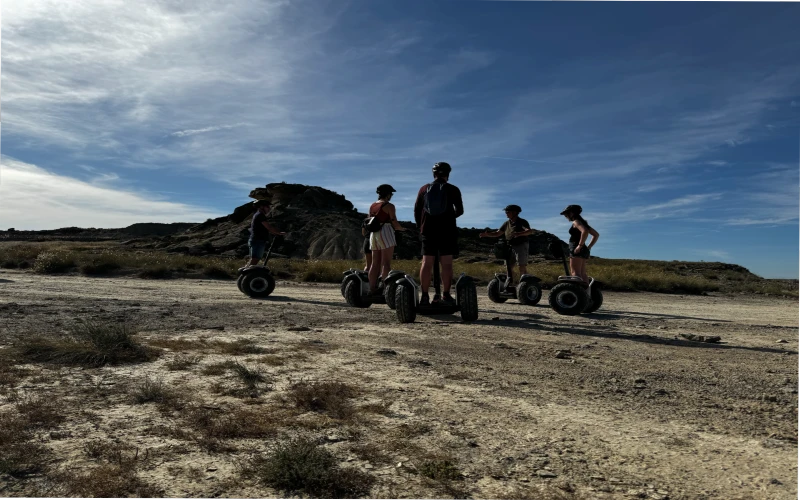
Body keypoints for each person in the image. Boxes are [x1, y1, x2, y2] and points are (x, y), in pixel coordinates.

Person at [413, 162, 464, 306]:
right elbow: (460, 210)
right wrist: (448, 218)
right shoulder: (453, 189)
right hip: (447, 230)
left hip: (428, 230)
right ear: (448, 174)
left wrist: (420, 226)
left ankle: (424, 297)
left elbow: (417, 210)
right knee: (446, 264)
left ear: (433, 174)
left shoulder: (423, 189)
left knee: (426, 262)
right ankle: (446, 295)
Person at [479, 205, 535, 287]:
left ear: (515, 212)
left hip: (521, 245)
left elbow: (529, 231)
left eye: (508, 212)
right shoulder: (506, 223)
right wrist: (487, 235)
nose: (506, 214)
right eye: (506, 212)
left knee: (521, 265)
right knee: (509, 266)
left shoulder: (522, 222)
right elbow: (498, 233)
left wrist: (519, 234)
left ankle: (524, 284)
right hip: (509, 246)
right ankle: (511, 283)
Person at [367, 184, 407, 295]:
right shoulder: (389, 206)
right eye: (391, 194)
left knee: (375, 264)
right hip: (386, 231)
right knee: (386, 263)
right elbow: (393, 221)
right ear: (388, 194)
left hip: (373, 234)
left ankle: (371, 288)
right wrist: (401, 229)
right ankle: (385, 289)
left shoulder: (372, 205)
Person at [560, 204, 599, 283]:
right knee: (583, 274)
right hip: (583, 250)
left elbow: (584, 231)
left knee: (575, 273)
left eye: (566, 214)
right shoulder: (583, 222)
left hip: (576, 248)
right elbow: (596, 235)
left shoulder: (576, 222)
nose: (565, 216)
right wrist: (588, 247)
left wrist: (579, 246)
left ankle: (578, 294)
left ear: (571, 213)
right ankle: (586, 294)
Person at [247, 199, 286, 267]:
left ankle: (244, 273)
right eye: (267, 206)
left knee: (254, 259)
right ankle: (247, 275)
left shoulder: (257, 215)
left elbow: (265, 228)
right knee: (255, 259)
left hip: (256, 240)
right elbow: (269, 227)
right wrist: (279, 233)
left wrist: (274, 233)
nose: (269, 208)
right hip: (257, 240)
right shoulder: (260, 215)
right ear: (261, 207)